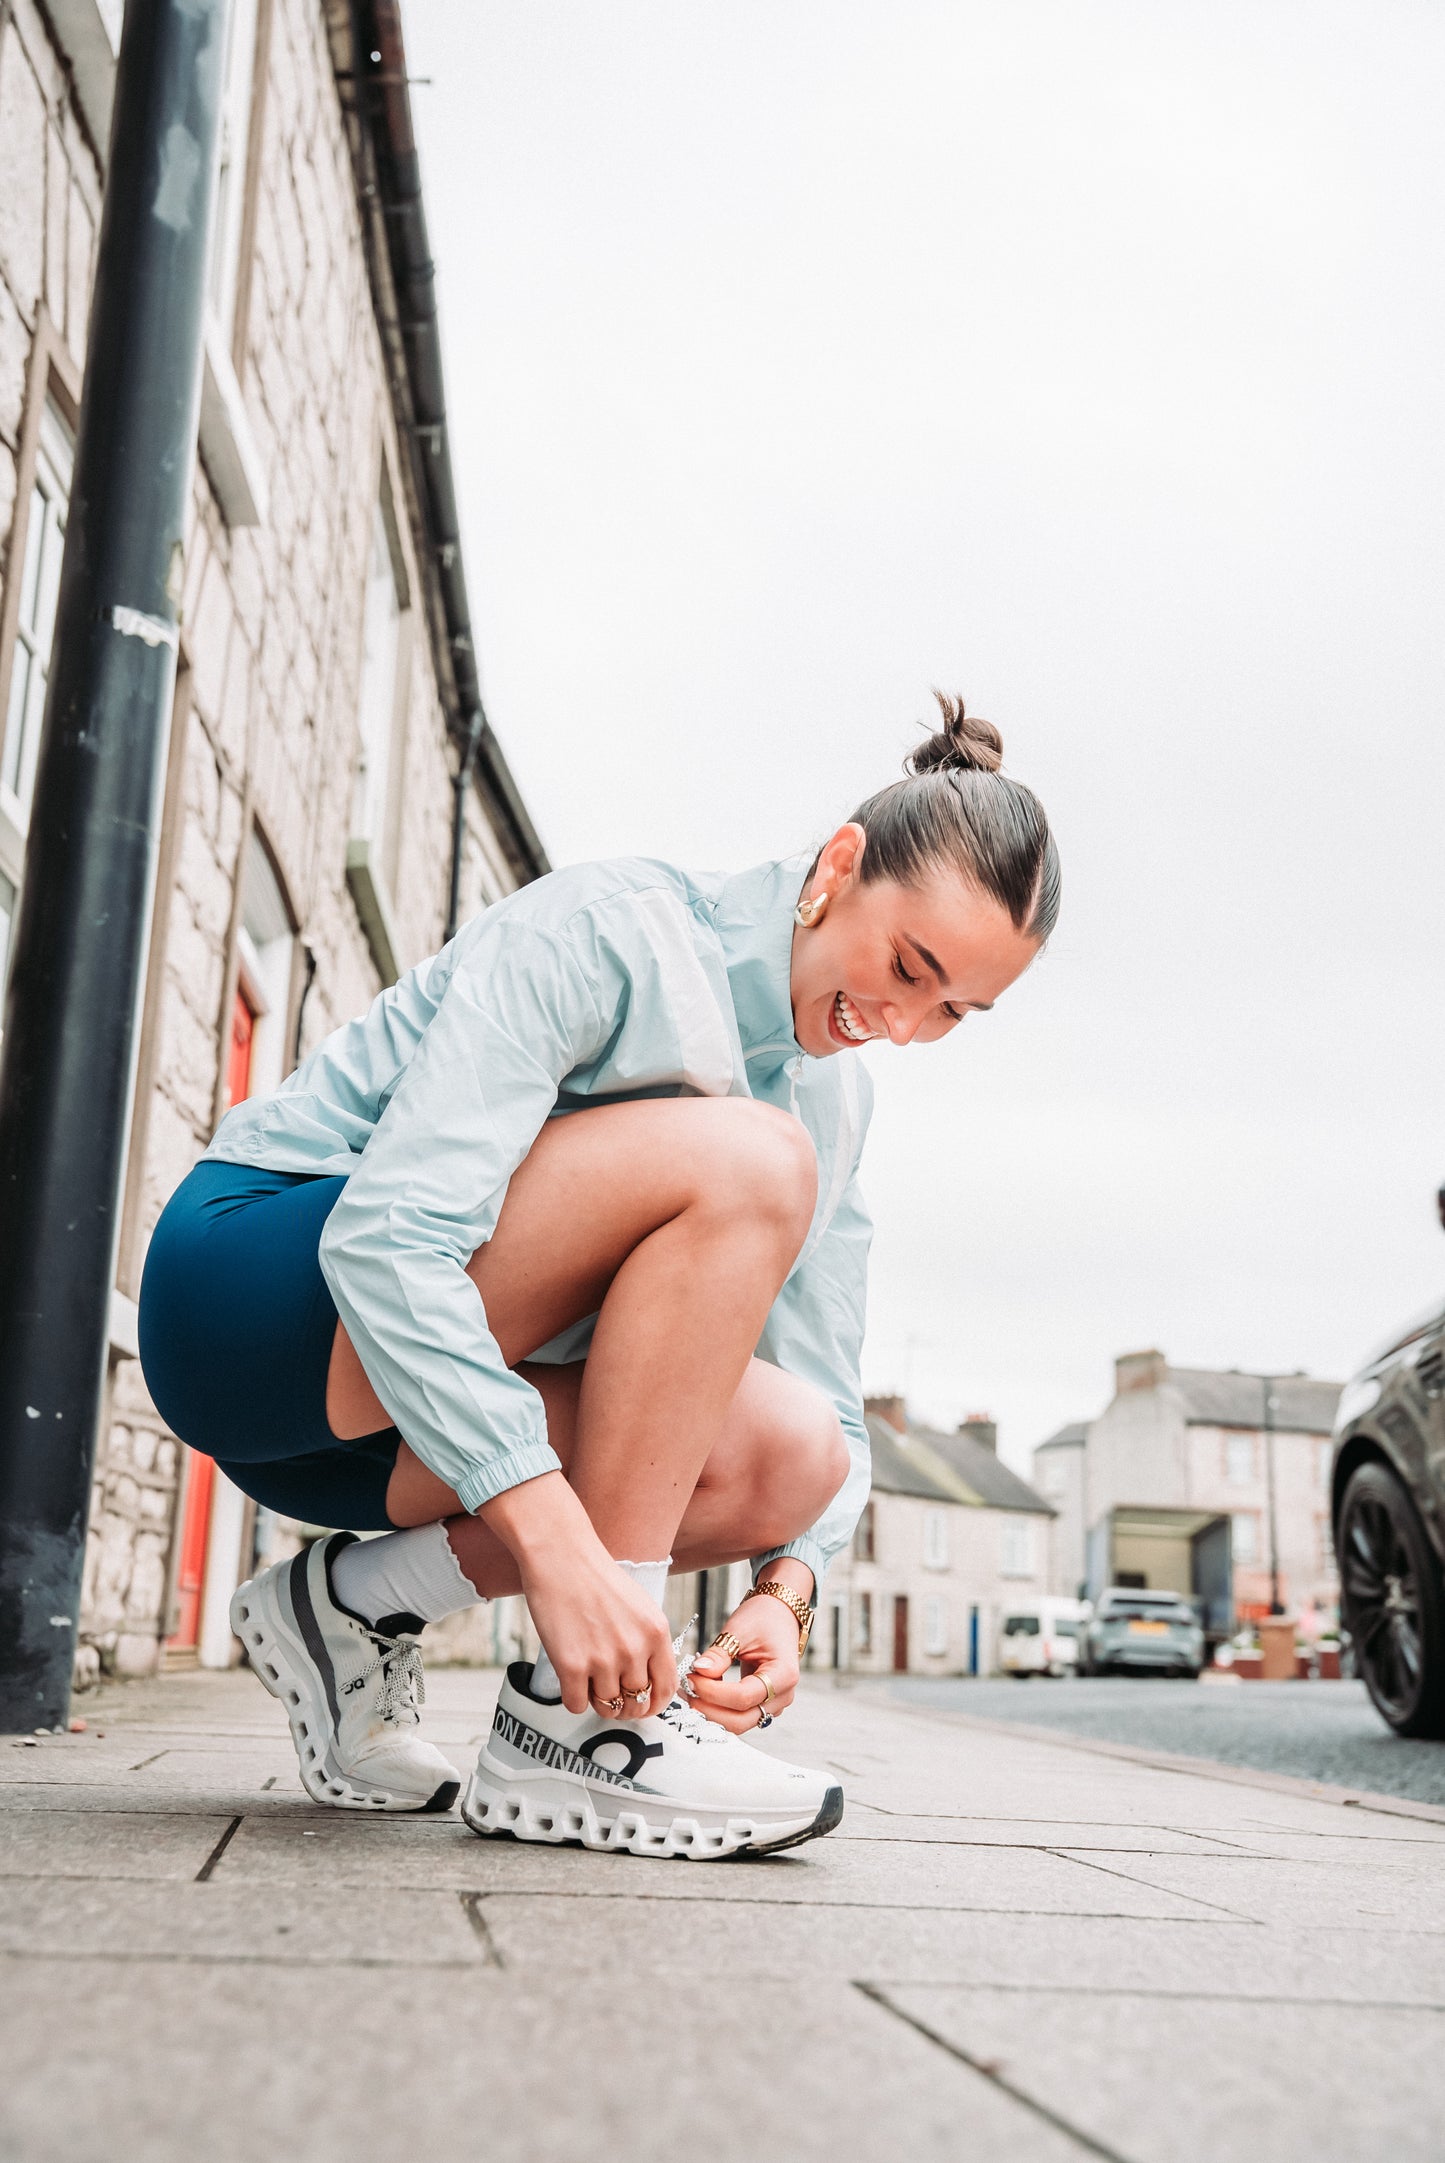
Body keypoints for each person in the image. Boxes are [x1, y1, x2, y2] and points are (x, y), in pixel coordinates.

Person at [138, 694, 1059, 1858]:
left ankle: (349, 1606)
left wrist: (787, 1596)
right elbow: (385, 1244)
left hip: (386, 1446)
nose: (901, 1022)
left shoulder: (831, 1097)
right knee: (754, 1158)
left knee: (792, 1456)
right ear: (838, 865)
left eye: (952, 1012)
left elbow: (824, 1382)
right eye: (906, 966)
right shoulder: (612, 930)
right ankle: (585, 1728)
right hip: (250, 1304)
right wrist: (562, 1549)